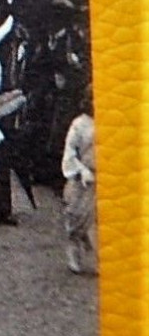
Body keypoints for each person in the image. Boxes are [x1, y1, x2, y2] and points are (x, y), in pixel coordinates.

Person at [60, 92, 96, 275]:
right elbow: (70, 151)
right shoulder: (80, 124)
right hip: (84, 178)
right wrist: (82, 170)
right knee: (78, 218)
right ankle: (74, 252)